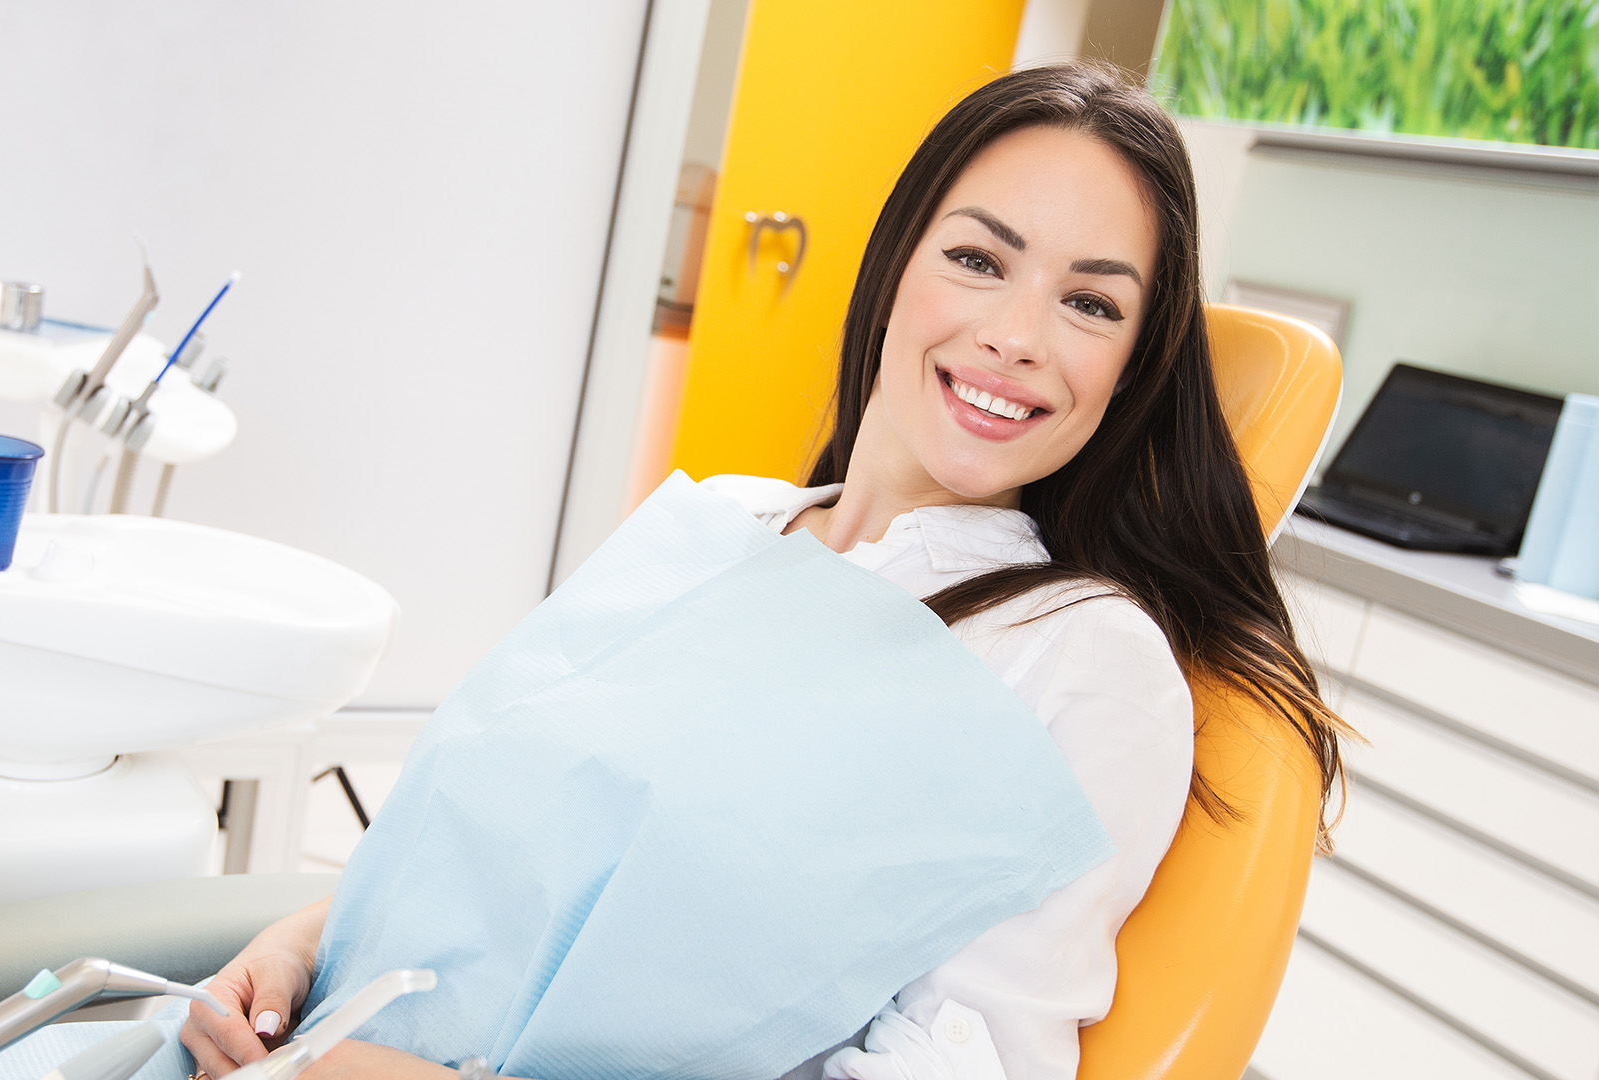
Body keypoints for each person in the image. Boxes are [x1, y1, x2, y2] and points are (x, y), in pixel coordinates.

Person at [178, 61, 1348, 1080]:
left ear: (1135, 366)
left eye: (1090, 302)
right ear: (895, 266)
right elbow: (500, 843)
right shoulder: (724, 523)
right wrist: (302, 942)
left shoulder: (1075, 657)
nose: (1020, 336)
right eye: (981, 260)